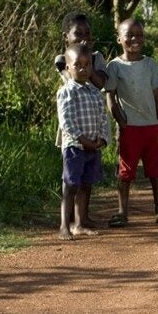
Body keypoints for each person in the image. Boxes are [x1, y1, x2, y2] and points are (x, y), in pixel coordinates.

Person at [104, 19, 158, 226]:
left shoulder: (150, 64)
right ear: (119, 39)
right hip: (130, 128)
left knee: (157, 171)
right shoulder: (115, 66)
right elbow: (111, 96)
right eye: (129, 35)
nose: (135, 39)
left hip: (152, 127)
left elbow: (157, 95)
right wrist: (120, 122)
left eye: (139, 34)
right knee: (125, 171)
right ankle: (121, 212)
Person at [56, 43, 109, 240]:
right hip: (75, 147)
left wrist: (102, 138)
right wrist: (83, 139)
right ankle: (64, 226)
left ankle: (80, 223)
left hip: (92, 147)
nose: (83, 68)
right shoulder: (66, 92)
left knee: (86, 185)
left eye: (87, 65)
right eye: (77, 65)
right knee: (70, 186)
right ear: (67, 68)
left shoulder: (95, 92)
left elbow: (103, 117)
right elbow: (66, 121)